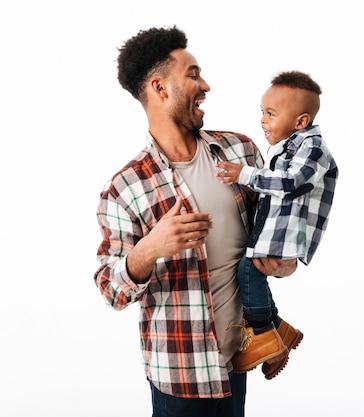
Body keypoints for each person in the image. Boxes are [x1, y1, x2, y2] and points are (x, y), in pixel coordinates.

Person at [93, 26, 297, 416]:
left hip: (239, 358)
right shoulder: (125, 189)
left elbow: (273, 234)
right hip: (180, 374)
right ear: (160, 88)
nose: (205, 85)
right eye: (192, 74)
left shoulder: (240, 151)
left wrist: (283, 263)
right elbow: (110, 290)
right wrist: (150, 249)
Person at [215, 70, 339, 379]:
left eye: (271, 113)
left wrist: (244, 174)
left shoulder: (313, 148)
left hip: (286, 233)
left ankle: (263, 333)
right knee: (249, 270)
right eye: (262, 112)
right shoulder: (288, 148)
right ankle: (277, 329)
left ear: (300, 122)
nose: (262, 120)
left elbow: (291, 182)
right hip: (272, 231)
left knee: (248, 270)